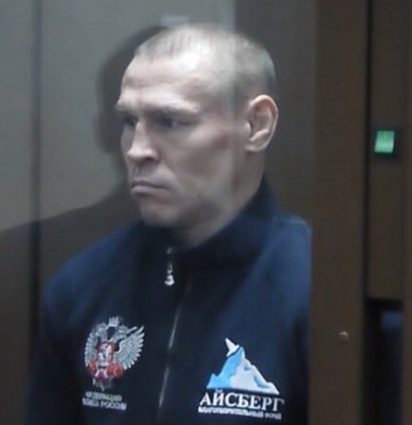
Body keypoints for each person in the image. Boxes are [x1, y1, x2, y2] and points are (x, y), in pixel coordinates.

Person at [25, 23, 310, 424]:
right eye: (129, 121)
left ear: (255, 125)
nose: (137, 150)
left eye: (170, 121)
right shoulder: (83, 285)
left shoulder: (313, 288)